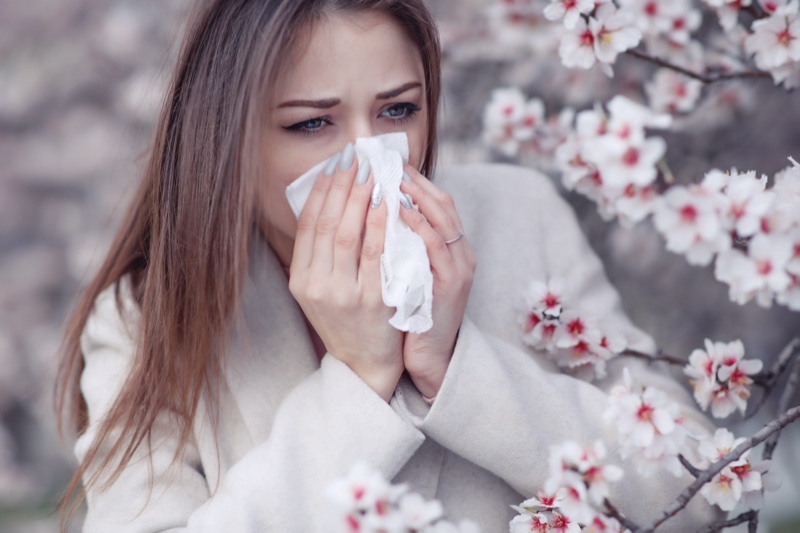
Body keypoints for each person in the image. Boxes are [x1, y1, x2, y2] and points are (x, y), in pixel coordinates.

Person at [56, 0, 717, 531]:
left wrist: (458, 365)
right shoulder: (145, 316)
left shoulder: (521, 213)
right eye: (313, 124)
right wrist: (359, 379)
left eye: (398, 110)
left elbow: (698, 486)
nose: (371, 156)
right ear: (226, 138)